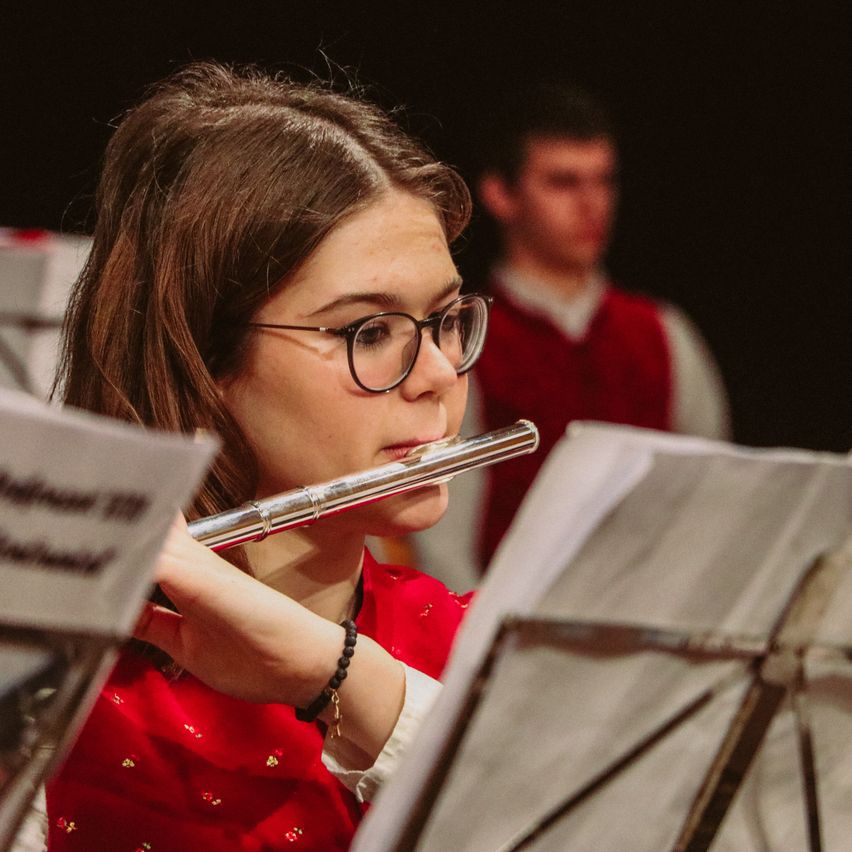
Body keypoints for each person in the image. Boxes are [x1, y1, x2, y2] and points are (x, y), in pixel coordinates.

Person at [43, 61, 485, 851]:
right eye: (369, 332)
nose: (439, 375)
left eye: (446, 319)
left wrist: (337, 673)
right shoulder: (51, 692)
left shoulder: (483, 655)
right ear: (200, 356)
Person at [408, 81, 731, 580]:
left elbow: (713, 500)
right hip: (515, 628)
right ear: (500, 194)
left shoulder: (663, 333)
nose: (591, 203)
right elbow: (443, 531)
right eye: (563, 182)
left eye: (603, 181)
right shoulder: (464, 338)